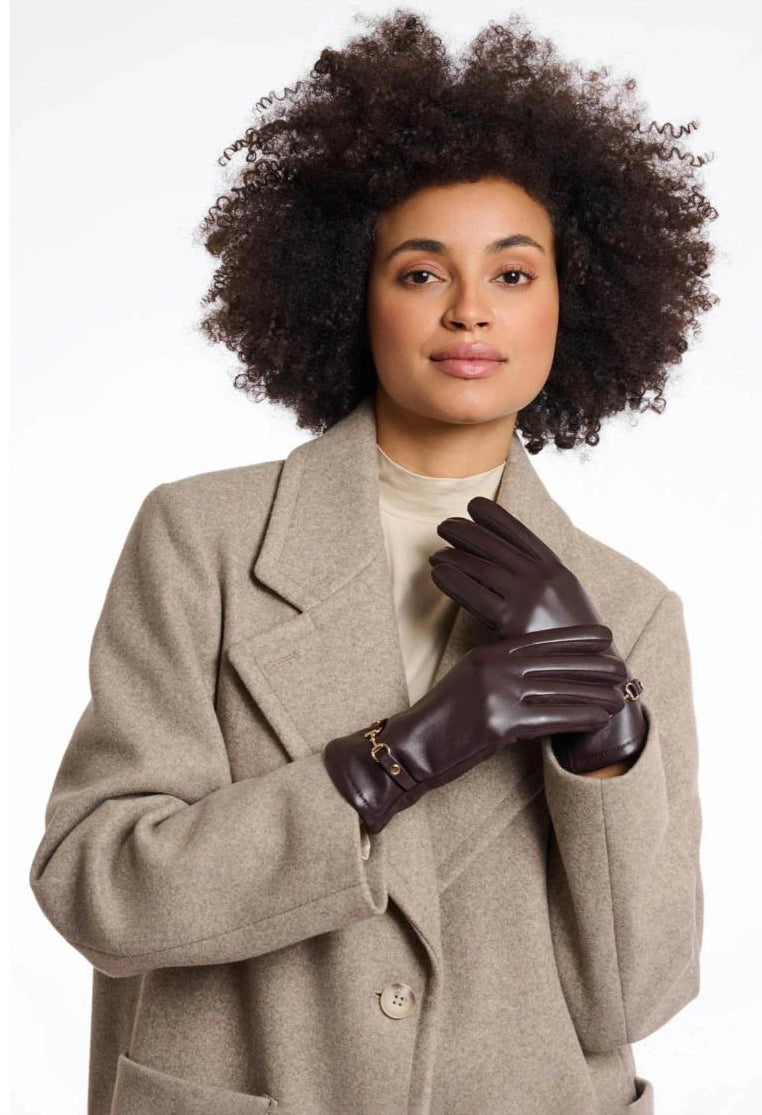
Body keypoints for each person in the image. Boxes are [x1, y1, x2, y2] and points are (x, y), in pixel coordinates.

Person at [29, 9, 716, 1113]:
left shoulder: (628, 613)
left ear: (570, 301)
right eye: (418, 272)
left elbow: (634, 992)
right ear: (351, 290)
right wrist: (401, 756)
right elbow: (100, 887)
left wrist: (605, 757)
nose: (467, 311)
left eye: (514, 272)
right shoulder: (201, 539)